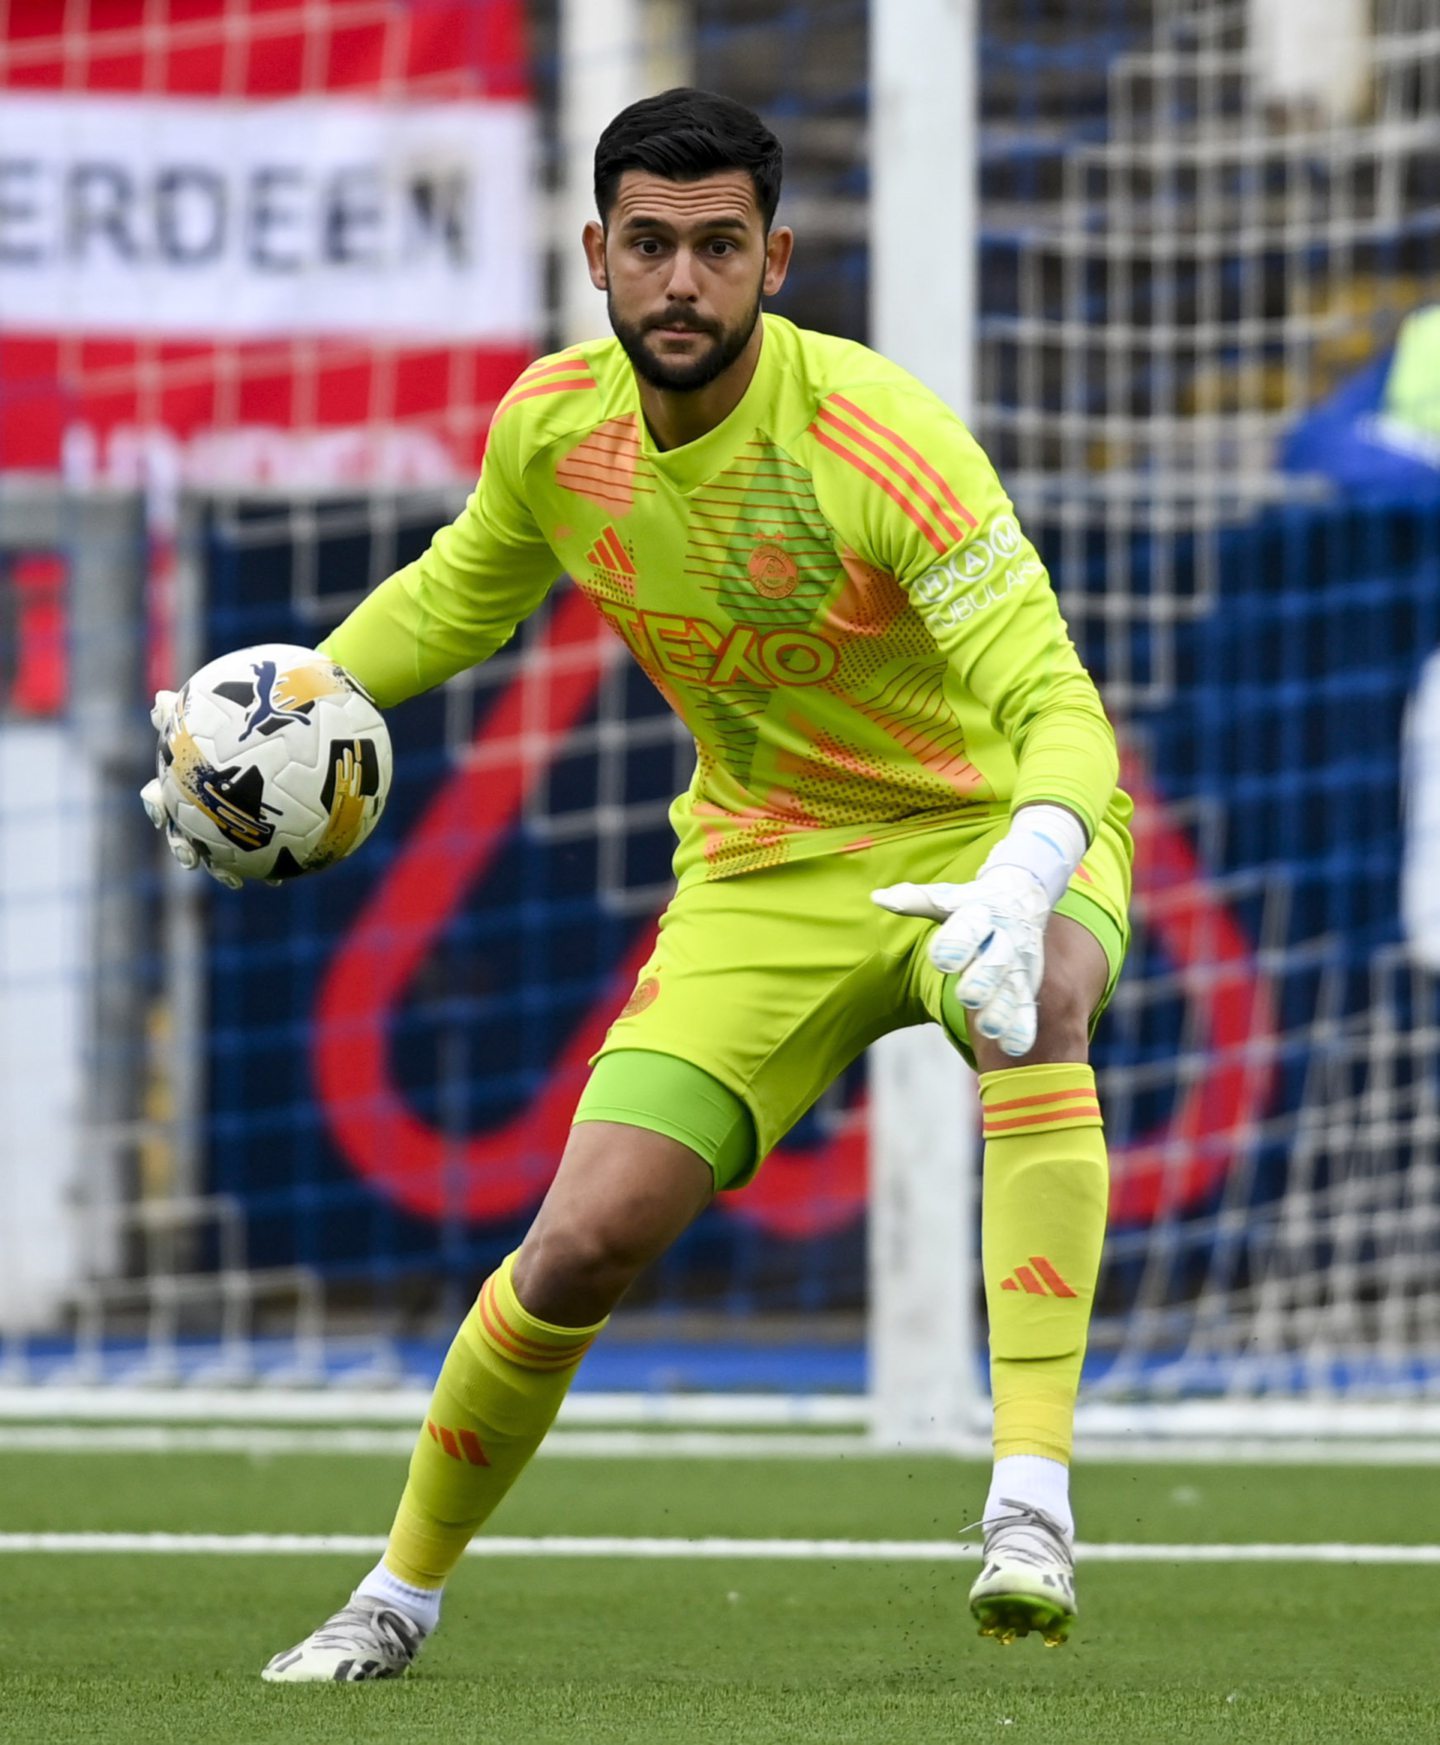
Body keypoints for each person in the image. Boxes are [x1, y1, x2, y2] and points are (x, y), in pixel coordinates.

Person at [150, 88, 1132, 1675]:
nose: (684, 281)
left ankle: (1029, 1497)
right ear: (597, 252)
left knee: (1045, 1003)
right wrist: (262, 714)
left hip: (984, 834)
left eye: (721, 248)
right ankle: (393, 1595)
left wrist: (1029, 870)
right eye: (654, 246)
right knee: (579, 1243)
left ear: (777, 258)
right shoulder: (554, 427)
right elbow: (459, 591)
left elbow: (1060, 712)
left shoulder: (879, 441)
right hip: (763, 862)